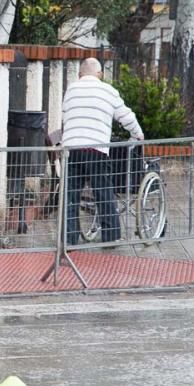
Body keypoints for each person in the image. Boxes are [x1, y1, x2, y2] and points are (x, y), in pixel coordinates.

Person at [61, 57, 144, 245]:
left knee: (71, 195)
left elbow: (66, 115)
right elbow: (126, 117)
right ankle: (110, 237)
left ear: (80, 74)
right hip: (96, 149)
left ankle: (69, 239)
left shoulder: (71, 90)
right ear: (100, 74)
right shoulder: (108, 91)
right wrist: (138, 135)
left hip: (71, 148)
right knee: (103, 192)